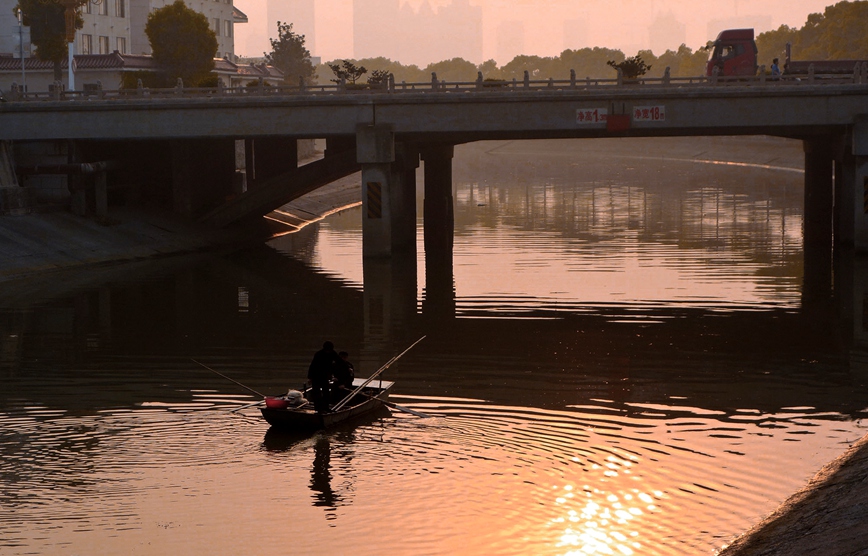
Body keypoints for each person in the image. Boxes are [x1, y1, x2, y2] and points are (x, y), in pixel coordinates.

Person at [307, 341, 338, 412]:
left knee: (326, 393)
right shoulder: (318, 354)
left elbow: (339, 362)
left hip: (325, 376)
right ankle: (318, 409)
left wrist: (347, 368)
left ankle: (326, 408)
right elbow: (312, 366)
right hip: (316, 376)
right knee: (316, 393)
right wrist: (310, 377)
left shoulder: (333, 353)